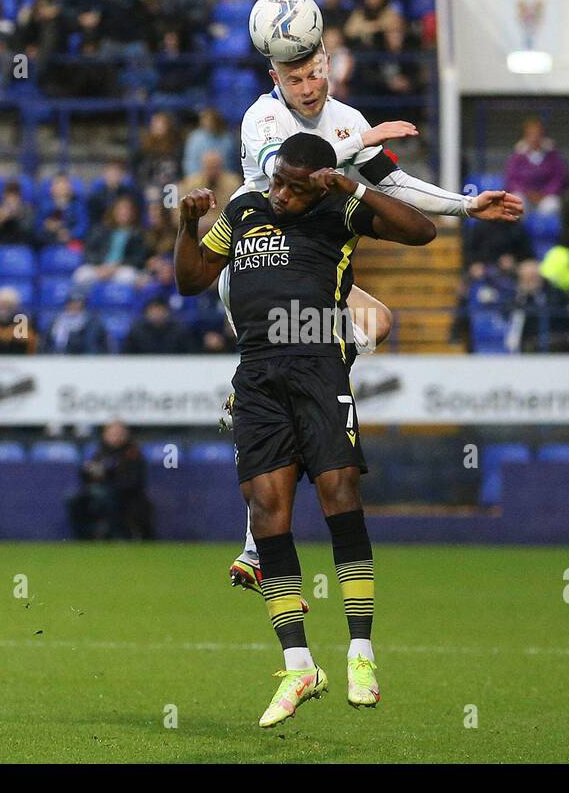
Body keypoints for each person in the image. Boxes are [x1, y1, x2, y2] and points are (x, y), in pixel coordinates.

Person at [214, 0, 521, 596]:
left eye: (315, 70)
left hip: (315, 269)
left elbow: (395, 182)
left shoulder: (347, 122)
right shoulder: (262, 120)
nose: (308, 85)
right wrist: (360, 145)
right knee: (303, 386)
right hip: (258, 269)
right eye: (294, 76)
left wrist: (466, 205)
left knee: (375, 325)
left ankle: (255, 539)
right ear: (274, 76)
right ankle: (254, 386)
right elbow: (295, 177)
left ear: (329, 57)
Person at [175, 132, 437, 726]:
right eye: (278, 180)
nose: (282, 194)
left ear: (319, 181)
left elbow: (423, 232)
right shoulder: (244, 211)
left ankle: (362, 653)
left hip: (320, 361)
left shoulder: (340, 210)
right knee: (267, 508)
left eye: (295, 186)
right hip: (259, 374)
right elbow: (190, 281)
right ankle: (298, 665)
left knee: (339, 493)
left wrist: (353, 187)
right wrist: (185, 227)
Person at [67, 421, 153, 540]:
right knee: (72, 498)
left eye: (119, 433)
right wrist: (91, 472)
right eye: (113, 434)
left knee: (105, 496)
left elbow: (135, 480)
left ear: (126, 435)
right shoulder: (99, 452)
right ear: (105, 435)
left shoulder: (132, 453)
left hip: (124, 494)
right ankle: (83, 536)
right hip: (96, 491)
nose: (116, 437)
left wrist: (108, 476)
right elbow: (85, 475)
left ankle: (117, 534)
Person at [122, 297, 196, 354]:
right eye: (153, 310)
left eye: (160, 310)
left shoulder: (179, 331)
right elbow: (127, 356)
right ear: (146, 313)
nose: (156, 314)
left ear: (167, 312)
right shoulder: (136, 332)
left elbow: (190, 353)